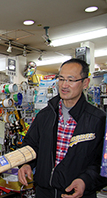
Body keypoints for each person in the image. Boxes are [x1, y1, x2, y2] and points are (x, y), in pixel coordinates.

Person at [18, 58, 107, 198]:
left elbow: (102, 163)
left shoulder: (98, 120)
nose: (64, 85)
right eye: (61, 79)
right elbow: (31, 145)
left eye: (71, 80)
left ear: (85, 83)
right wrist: (27, 164)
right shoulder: (45, 115)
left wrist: (85, 181)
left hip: (78, 195)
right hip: (44, 193)